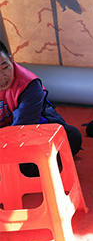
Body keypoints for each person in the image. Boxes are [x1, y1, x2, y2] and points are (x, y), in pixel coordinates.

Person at [0, 40, 82, 175]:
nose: (2, 77)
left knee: (71, 137)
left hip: (28, 131)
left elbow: (21, 129)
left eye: (5, 67)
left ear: (11, 59)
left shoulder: (29, 84)